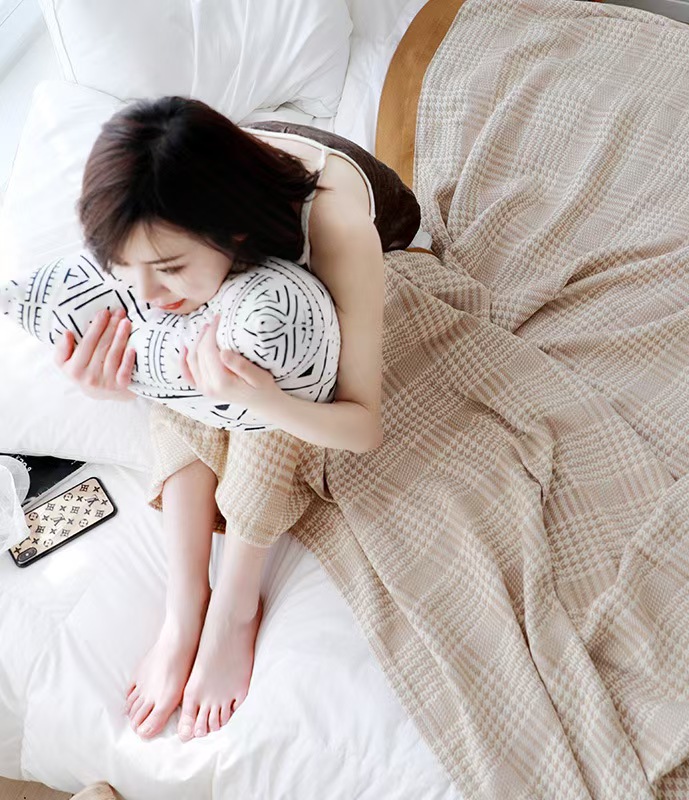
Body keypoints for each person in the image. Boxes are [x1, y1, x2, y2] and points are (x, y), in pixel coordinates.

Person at [53, 96, 423, 743]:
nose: (147, 295)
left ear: (235, 239)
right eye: (125, 271)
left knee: (267, 410)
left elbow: (363, 427)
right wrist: (123, 379)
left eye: (168, 271)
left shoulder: (336, 232)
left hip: (347, 234)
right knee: (180, 370)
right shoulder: (156, 219)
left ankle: (233, 609)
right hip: (236, 203)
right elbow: (146, 317)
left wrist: (264, 402)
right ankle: (185, 605)